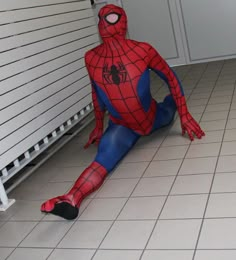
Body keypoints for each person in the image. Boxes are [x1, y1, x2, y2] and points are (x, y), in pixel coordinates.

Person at [41, 4, 205, 220]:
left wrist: (184, 113)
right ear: (99, 25)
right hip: (122, 126)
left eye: (113, 18)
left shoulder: (143, 50)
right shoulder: (91, 58)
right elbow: (97, 93)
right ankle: (72, 198)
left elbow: (171, 79)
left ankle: (172, 106)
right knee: (103, 158)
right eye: (104, 19)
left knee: (169, 108)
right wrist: (99, 127)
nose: (109, 25)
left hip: (152, 116)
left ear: (124, 22)